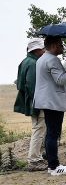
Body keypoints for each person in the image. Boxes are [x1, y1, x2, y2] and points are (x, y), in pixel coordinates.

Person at [33, 36, 66, 176]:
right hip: (53, 101)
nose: (62, 47)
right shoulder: (52, 59)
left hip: (46, 101)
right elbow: (60, 80)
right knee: (53, 133)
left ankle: (52, 165)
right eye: (60, 44)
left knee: (50, 133)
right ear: (53, 45)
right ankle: (54, 166)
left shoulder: (41, 59)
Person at [13, 38, 48, 171]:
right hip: (37, 103)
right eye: (42, 49)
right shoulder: (33, 63)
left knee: (37, 129)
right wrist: (41, 102)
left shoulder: (24, 62)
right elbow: (34, 87)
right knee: (39, 130)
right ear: (37, 50)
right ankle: (34, 160)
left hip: (31, 101)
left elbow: (20, 83)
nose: (44, 51)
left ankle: (37, 157)